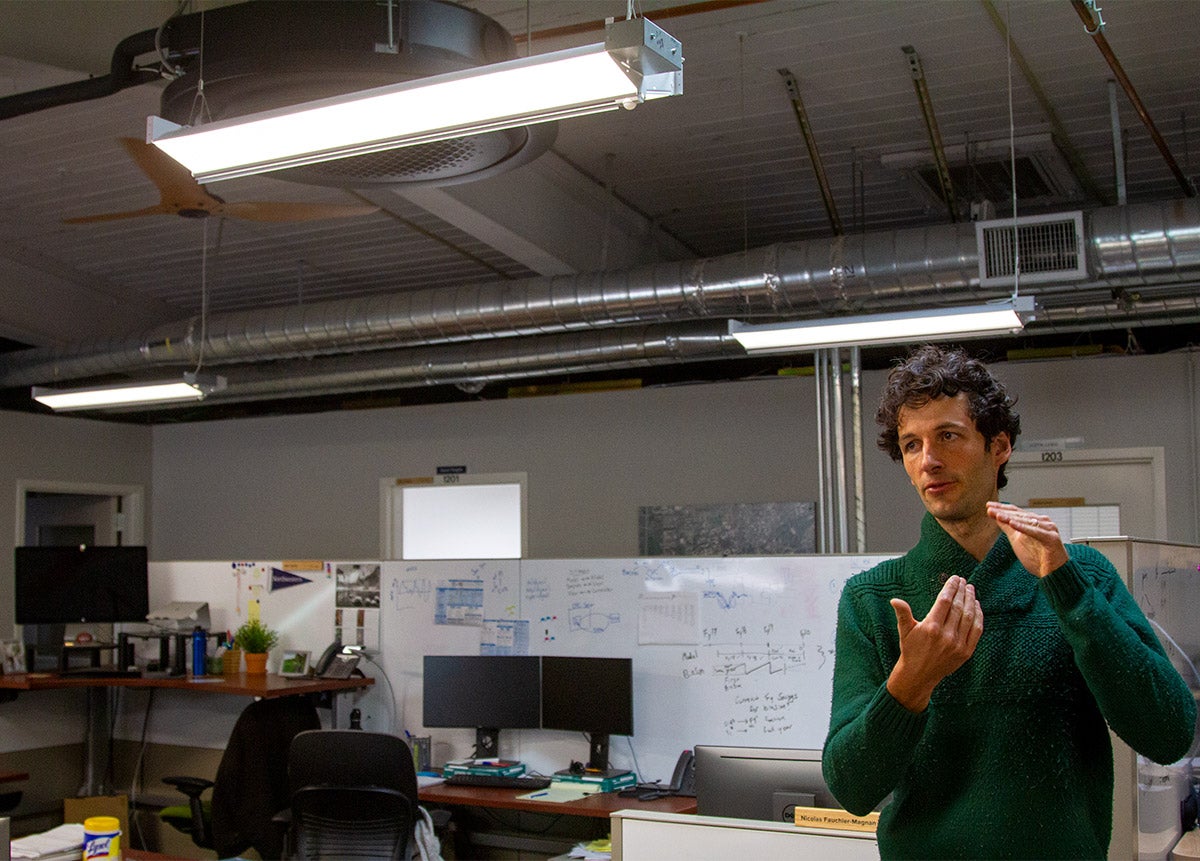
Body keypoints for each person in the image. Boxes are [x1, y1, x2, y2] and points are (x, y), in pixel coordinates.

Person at [822, 344, 1196, 860]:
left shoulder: (1083, 575)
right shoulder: (873, 599)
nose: (929, 460)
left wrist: (1068, 591)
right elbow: (850, 788)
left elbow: (1170, 733)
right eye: (912, 445)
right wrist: (911, 684)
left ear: (998, 447)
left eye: (947, 436)